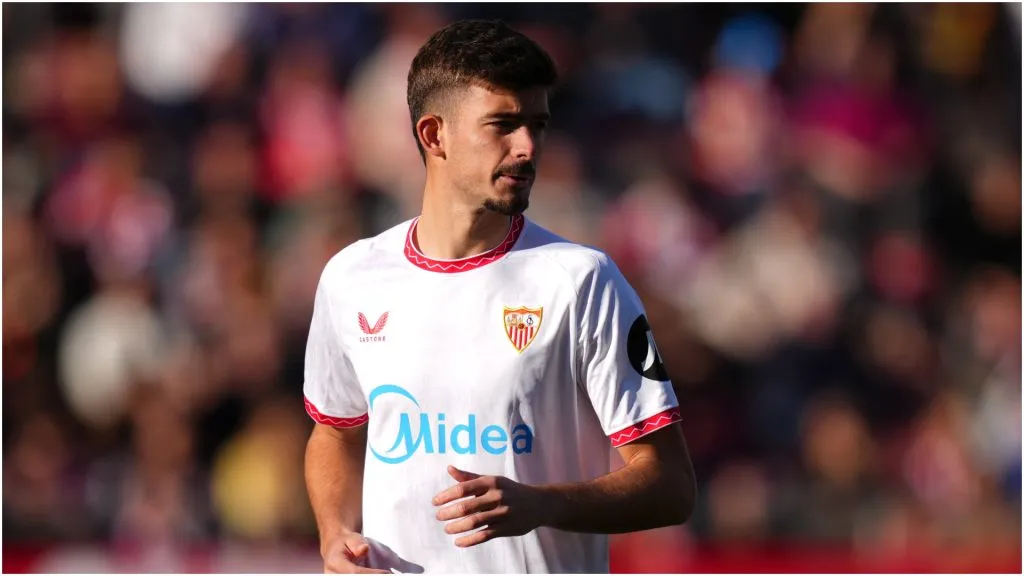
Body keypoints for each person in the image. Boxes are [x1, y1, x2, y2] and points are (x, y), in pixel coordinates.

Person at [303, 20, 697, 574]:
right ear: (433, 135)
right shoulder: (352, 277)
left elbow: (672, 487)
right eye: (503, 125)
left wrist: (543, 503)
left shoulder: (582, 281)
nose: (528, 147)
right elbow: (336, 433)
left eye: (537, 124)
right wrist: (333, 532)